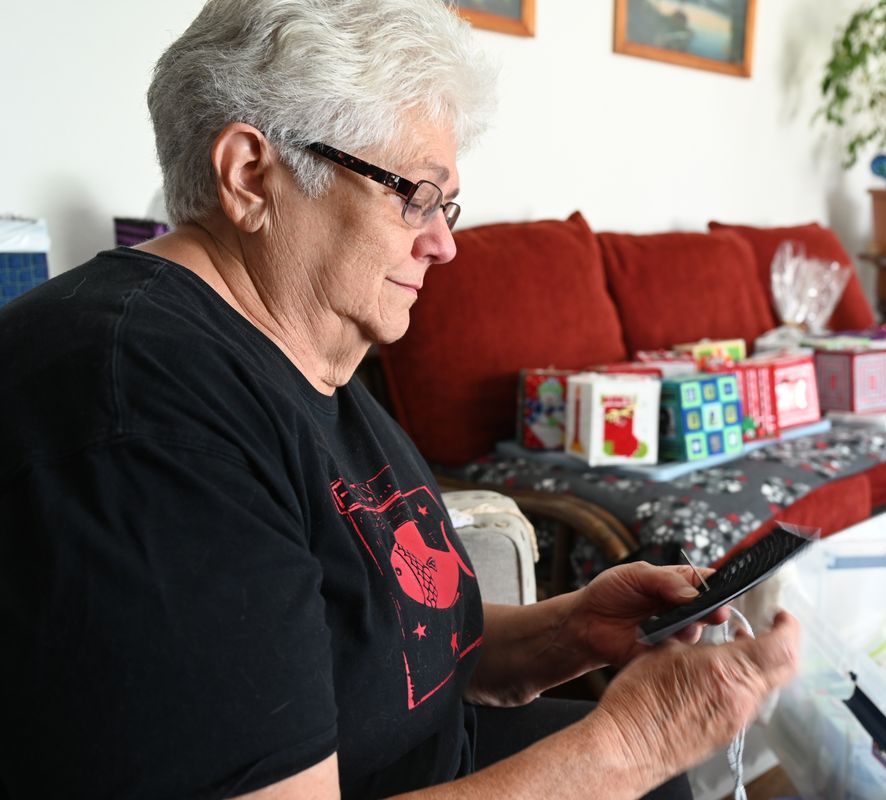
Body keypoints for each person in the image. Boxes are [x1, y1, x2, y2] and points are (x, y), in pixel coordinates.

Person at [0, 1, 799, 798]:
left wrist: (568, 630)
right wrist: (634, 744)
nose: (444, 242)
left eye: (444, 205)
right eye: (415, 195)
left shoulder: (305, 348)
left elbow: (373, 643)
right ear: (250, 174)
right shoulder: (147, 413)